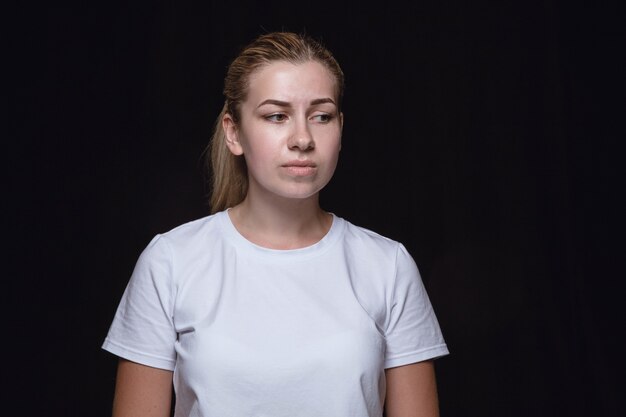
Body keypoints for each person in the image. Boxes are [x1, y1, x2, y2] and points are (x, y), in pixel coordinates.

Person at [102, 31, 449, 417]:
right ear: (234, 132)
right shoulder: (171, 261)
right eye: (276, 116)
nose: (302, 138)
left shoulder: (388, 266)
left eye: (321, 116)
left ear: (340, 129)